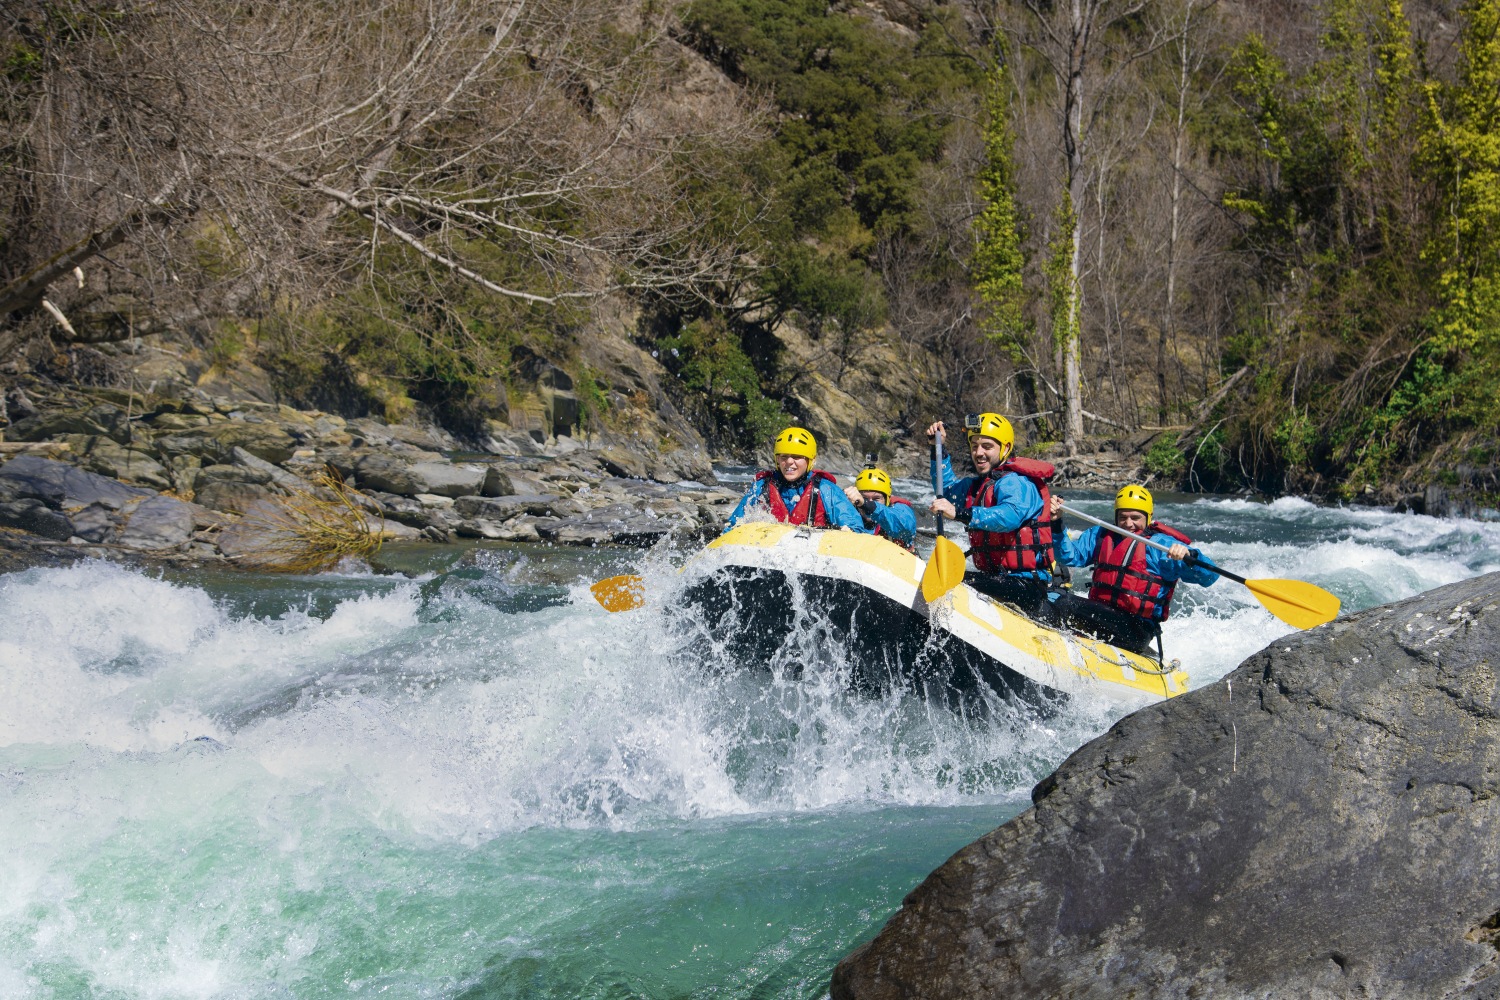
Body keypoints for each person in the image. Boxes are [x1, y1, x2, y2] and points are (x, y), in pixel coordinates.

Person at [1050, 484, 1219, 655]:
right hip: (1101, 616)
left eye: (1135, 517)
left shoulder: (1161, 546)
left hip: (1135, 629)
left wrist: (1191, 557)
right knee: (1055, 594)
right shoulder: (1100, 535)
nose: (1128, 524)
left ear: (1148, 517)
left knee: (1064, 604)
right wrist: (1056, 522)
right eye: (1123, 517)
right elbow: (1069, 556)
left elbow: (1210, 577)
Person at [926, 413, 1060, 614]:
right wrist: (939, 449)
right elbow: (946, 492)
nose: (979, 453)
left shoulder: (1016, 482)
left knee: (957, 582)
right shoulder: (978, 485)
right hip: (997, 579)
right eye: (974, 446)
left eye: (987, 446)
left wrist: (961, 513)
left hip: (1025, 584)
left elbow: (1010, 516)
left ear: (1005, 448)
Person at [724, 426, 870, 532]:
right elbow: (734, 525)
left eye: (797, 457)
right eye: (784, 456)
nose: (789, 462)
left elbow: (854, 528)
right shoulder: (762, 487)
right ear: (777, 459)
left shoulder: (826, 489)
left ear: (810, 461)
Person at [844, 466, 918, 551]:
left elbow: (905, 526)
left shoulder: (900, 509)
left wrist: (867, 504)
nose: (870, 502)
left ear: (887, 500)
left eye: (876, 499)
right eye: (864, 498)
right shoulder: (848, 513)